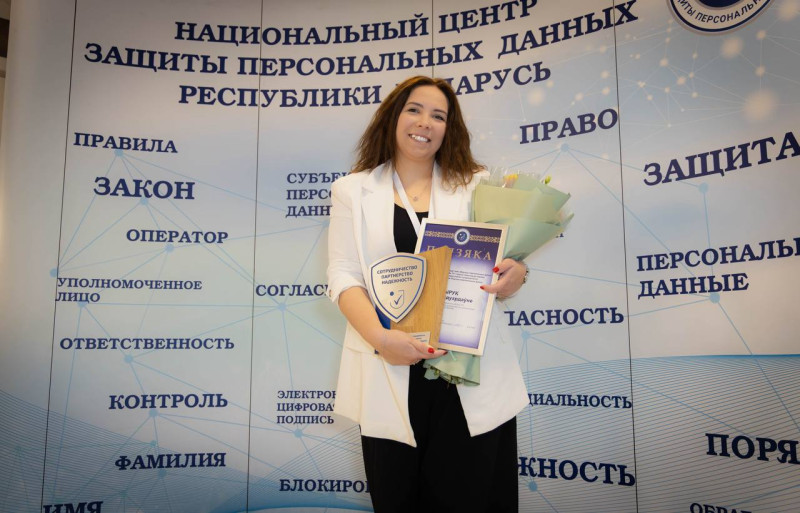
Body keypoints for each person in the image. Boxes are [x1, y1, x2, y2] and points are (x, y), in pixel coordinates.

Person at [326, 76, 529, 512]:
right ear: (392, 118)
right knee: (398, 497)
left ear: (449, 129)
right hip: (389, 362)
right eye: (414, 110)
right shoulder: (352, 190)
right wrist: (382, 340)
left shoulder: (475, 184)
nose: (425, 122)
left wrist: (517, 272)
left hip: (464, 369)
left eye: (439, 115)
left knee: (472, 499)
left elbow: (502, 261)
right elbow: (343, 275)